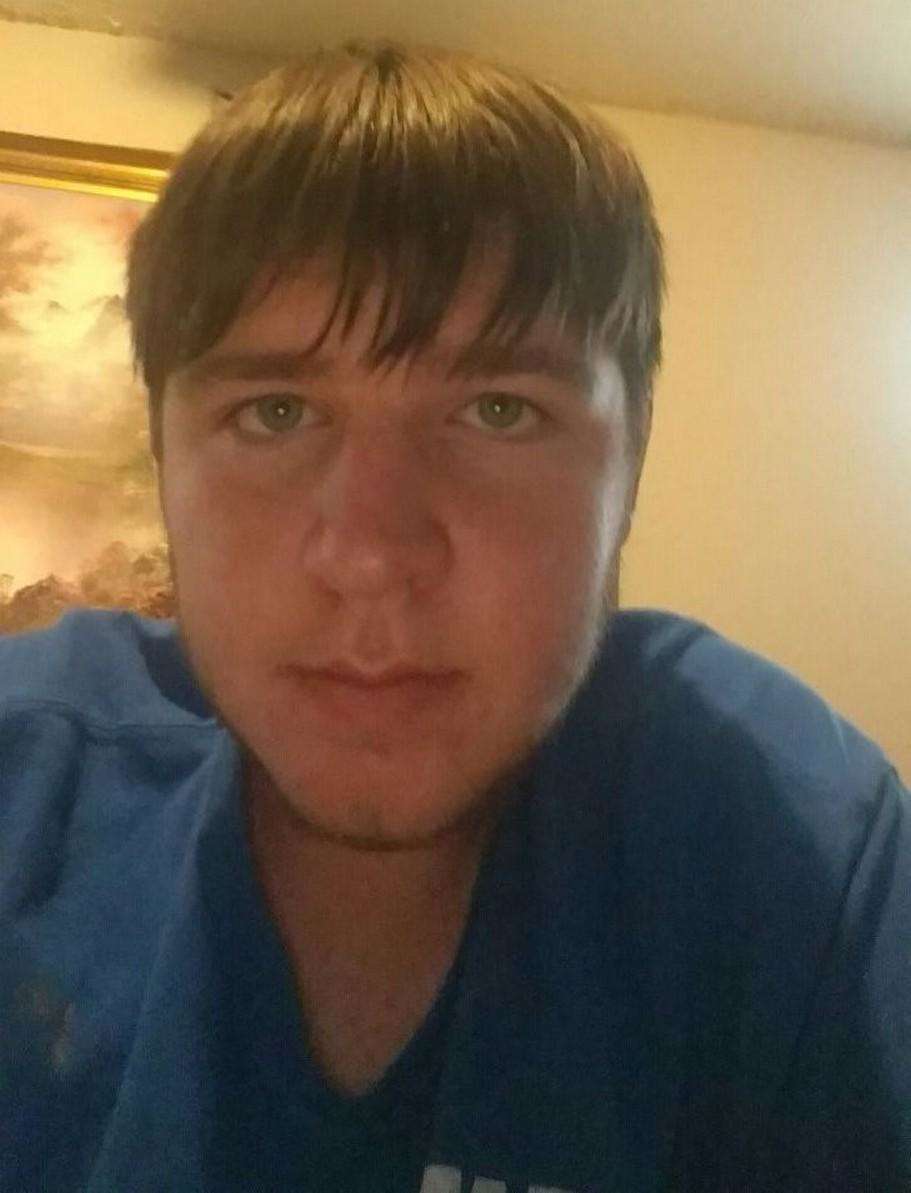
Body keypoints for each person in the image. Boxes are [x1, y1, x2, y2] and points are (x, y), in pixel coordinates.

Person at [1, 40, 907, 1193]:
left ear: (628, 458)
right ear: (164, 449)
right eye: (275, 411)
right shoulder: (24, 783)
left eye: (496, 410)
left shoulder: (785, 838)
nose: (372, 554)